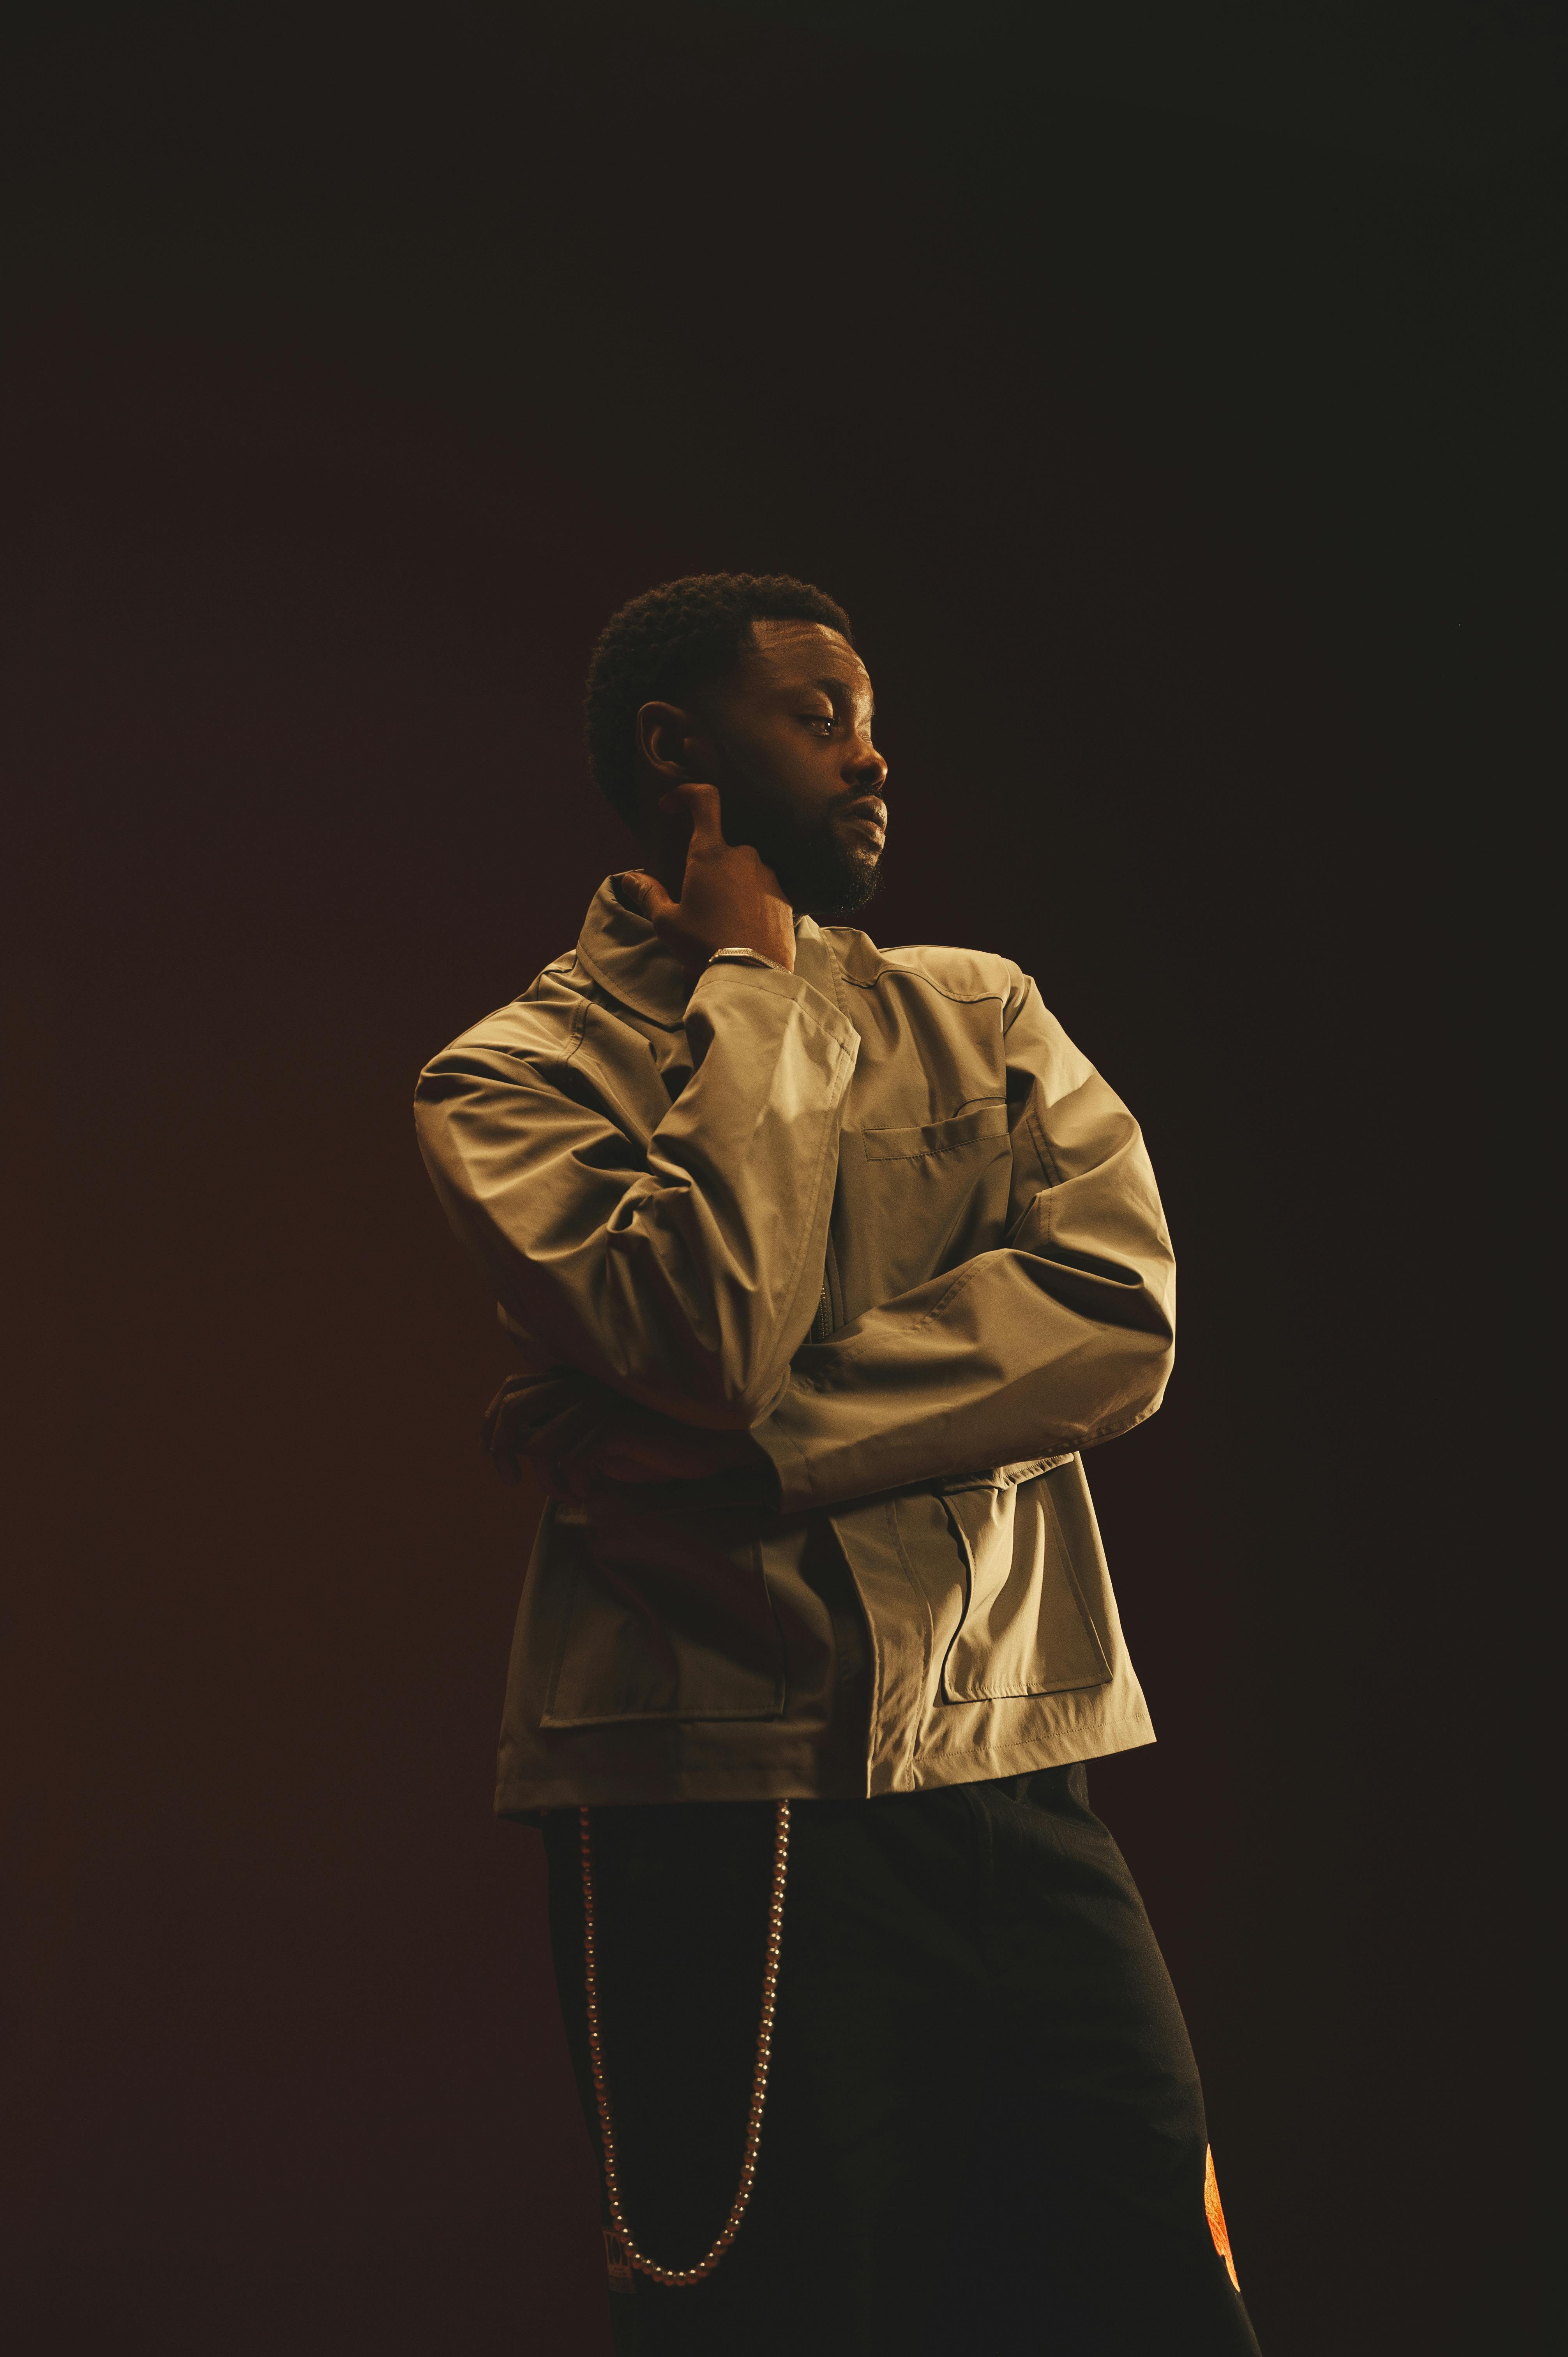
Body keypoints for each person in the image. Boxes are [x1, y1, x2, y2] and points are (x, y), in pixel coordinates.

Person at [413, 572, 1261, 2354]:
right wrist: (751, 980)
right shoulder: (509, 1080)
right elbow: (708, 1335)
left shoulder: (981, 1015)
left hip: (1018, 1778)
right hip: (708, 1809)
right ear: (678, 750)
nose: (875, 758)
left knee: (1150, 2305)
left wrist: (757, 1467)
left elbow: (1117, 1317)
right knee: (779, 2319)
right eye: (821, 714)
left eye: (873, 717)